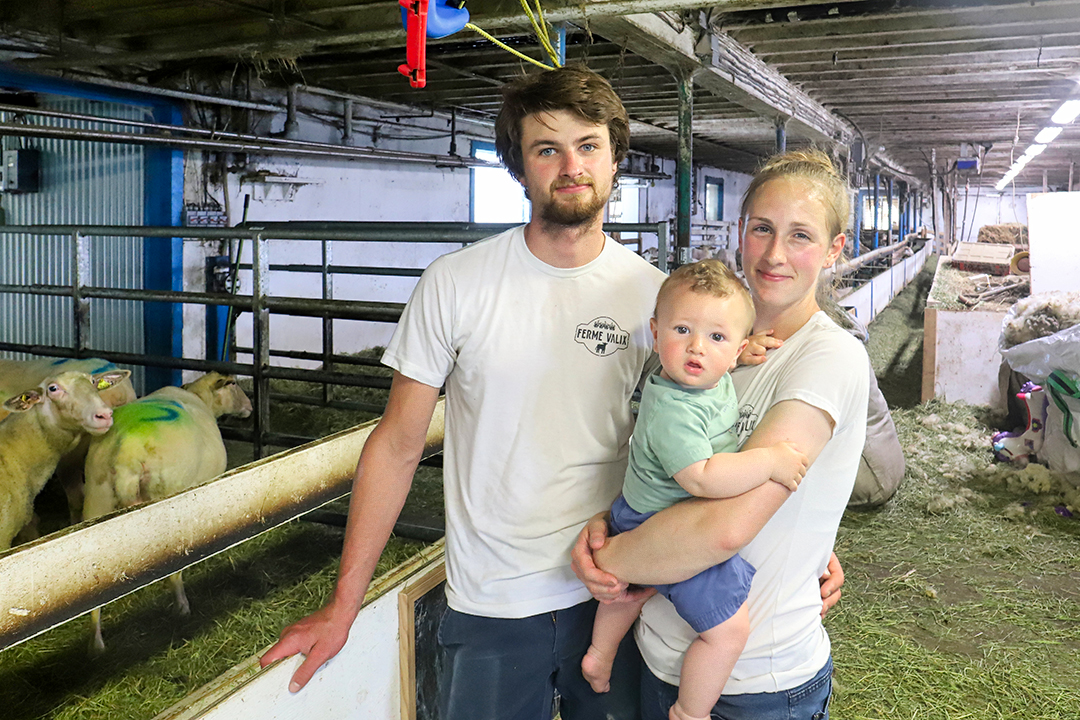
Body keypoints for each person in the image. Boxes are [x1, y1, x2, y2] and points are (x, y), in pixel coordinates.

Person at [260, 64, 666, 720]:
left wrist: (785, 559)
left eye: (589, 145)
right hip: (492, 602)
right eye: (547, 148)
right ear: (519, 166)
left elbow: (707, 429)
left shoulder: (652, 295)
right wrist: (344, 602)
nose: (571, 165)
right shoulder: (457, 283)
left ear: (616, 157)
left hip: (614, 591)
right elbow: (396, 445)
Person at [572, 148, 870, 720]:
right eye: (762, 229)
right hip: (657, 651)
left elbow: (726, 527)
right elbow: (664, 458)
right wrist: (614, 519)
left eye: (801, 236)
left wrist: (610, 559)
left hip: (751, 682)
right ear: (741, 231)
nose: (776, 254)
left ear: (836, 250)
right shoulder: (718, 342)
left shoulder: (827, 357)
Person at [581, 259, 810, 720]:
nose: (696, 348)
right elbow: (701, 477)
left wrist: (736, 357)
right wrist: (769, 460)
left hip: (637, 511)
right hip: (664, 522)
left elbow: (711, 361)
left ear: (739, 346)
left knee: (630, 588)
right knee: (729, 631)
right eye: (682, 329)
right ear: (654, 331)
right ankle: (691, 709)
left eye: (716, 338)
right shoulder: (674, 411)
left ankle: (599, 653)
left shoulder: (702, 376)